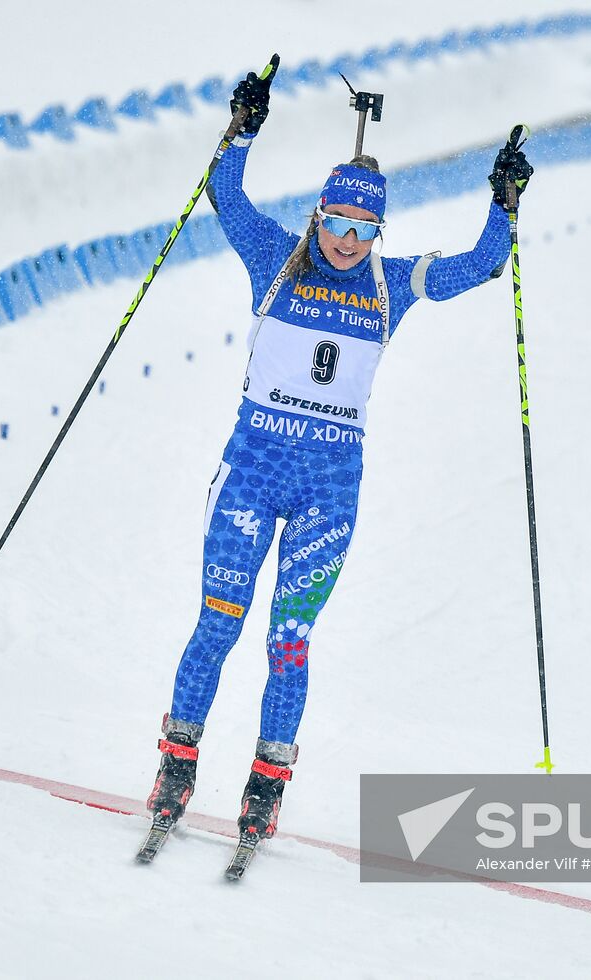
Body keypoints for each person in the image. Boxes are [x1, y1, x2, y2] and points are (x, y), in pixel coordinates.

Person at [144, 67, 533, 843]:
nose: (348, 244)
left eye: (364, 232)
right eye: (338, 226)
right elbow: (226, 196)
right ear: (319, 216)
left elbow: (478, 268)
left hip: (328, 491)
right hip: (252, 475)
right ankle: (176, 765)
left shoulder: (391, 285)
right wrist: (242, 129)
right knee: (218, 623)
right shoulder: (275, 260)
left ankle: (266, 783)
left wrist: (504, 203)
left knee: (288, 640)